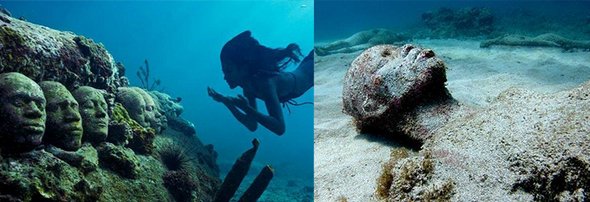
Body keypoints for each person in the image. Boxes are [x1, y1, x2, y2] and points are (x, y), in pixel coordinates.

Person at [208, 31, 313, 135]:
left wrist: (246, 108)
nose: (225, 77)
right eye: (224, 71)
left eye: (229, 71)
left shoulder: (266, 83)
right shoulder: (248, 87)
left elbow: (279, 128)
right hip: (305, 70)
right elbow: (252, 125)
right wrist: (227, 102)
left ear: (244, 69)